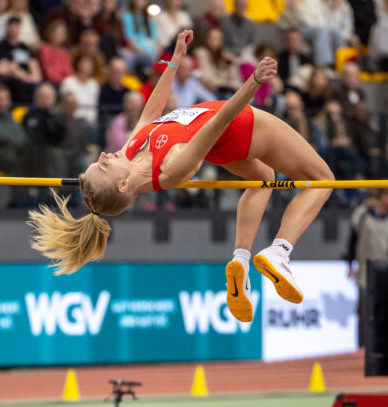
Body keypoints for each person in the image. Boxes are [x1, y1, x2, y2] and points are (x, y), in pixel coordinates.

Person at [29, 30, 335, 321]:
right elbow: (221, 120)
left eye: (99, 160)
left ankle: (241, 260)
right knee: (323, 180)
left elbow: (150, 113)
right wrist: (253, 81)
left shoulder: (129, 153)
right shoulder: (170, 169)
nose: (104, 155)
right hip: (248, 127)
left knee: (263, 179)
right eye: (104, 166)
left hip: (224, 144)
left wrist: (173, 61)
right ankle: (280, 251)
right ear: (123, 184)